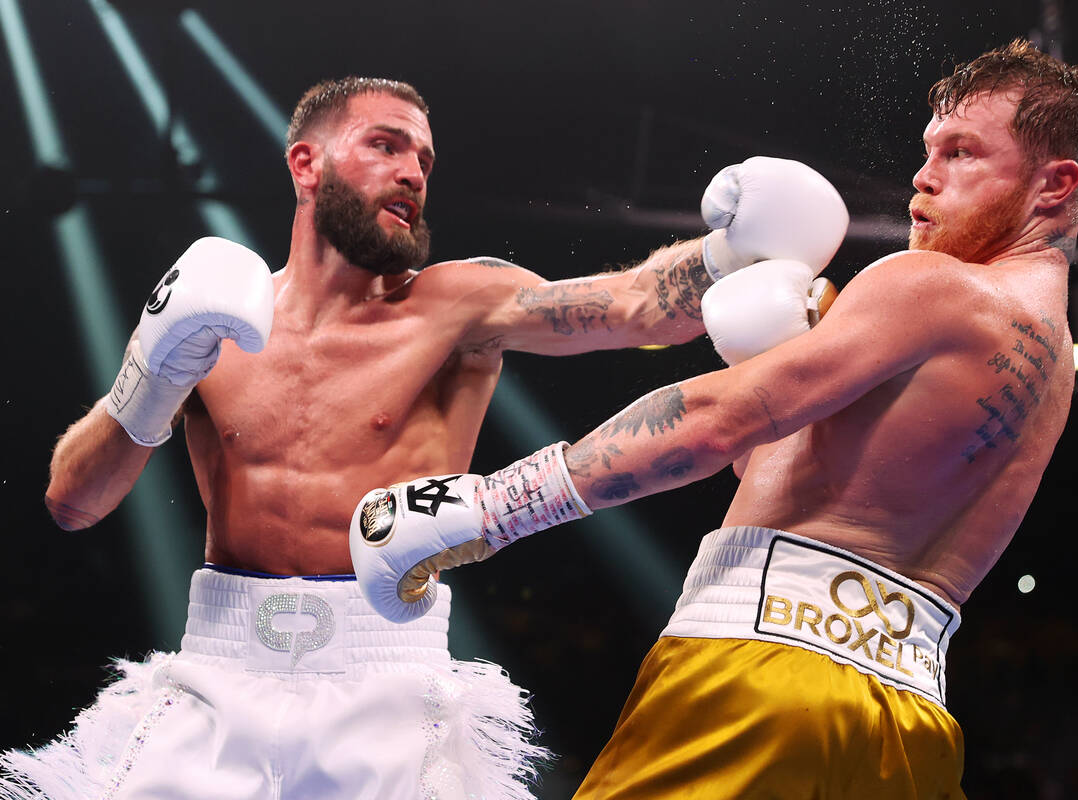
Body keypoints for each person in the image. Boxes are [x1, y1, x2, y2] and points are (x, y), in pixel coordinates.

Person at [2, 75, 848, 800]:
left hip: (386, 680)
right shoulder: (213, 317)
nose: (413, 173)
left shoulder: (457, 305)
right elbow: (73, 503)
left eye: (424, 161)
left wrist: (730, 247)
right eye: (386, 146)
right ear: (307, 163)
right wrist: (151, 375)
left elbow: (629, 308)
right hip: (214, 674)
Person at [350, 39, 1078, 798]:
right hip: (909, 726)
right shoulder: (1049, 368)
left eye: (961, 151)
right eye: (928, 148)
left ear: (1054, 185)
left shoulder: (931, 285)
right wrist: (776, 352)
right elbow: (792, 470)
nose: (923, 174)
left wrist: (490, 508)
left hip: (760, 679)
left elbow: (714, 423)